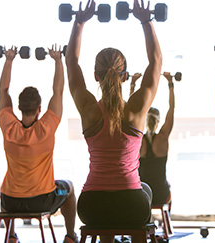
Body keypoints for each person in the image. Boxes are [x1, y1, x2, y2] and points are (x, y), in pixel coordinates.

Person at [65, 0, 162, 242]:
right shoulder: (136, 110)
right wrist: (146, 21)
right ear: (125, 75)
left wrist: (79, 22)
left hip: (91, 206)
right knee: (145, 191)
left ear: (95, 75)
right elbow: (156, 62)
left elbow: (71, 62)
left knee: (116, 204)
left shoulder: (88, 109)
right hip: (131, 204)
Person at [0, 45, 78, 243]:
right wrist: (58, 60)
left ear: (18, 107)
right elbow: (58, 91)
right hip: (42, 200)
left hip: (11, 202)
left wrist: (9, 60)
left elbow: (3, 90)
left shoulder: (8, 126)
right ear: (40, 108)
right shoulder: (46, 128)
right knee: (68, 188)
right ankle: (69, 236)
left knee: (4, 192)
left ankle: (11, 236)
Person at [130, 72, 175, 208]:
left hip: (143, 194)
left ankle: (145, 220)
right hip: (161, 194)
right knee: (168, 188)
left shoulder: (138, 138)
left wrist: (133, 84)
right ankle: (166, 223)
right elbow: (171, 109)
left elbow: (131, 110)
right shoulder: (163, 137)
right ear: (158, 121)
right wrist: (170, 84)